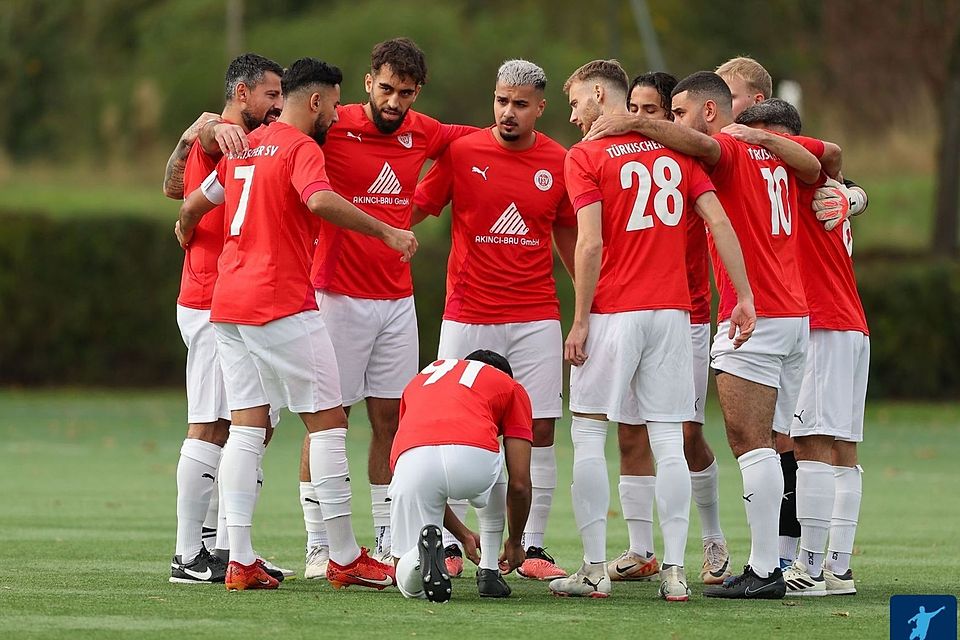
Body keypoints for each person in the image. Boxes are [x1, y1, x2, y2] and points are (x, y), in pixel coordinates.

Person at [176, 57, 417, 591]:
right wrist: (387, 233)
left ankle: (237, 558)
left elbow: (197, 200)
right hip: (279, 301)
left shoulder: (246, 144)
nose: (336, 113)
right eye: (333, 102)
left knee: (246, 425)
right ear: (316, 101)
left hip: (228, 305)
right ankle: (346, 556)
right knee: (328, 422)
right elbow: (321, 199)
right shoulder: (299, 146)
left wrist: (186, 226)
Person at [584, 70, 821, 598]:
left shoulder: (729, 149)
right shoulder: (775, 153)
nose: (671, 122)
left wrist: (623, 120)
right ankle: (781, 562)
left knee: (749, 443)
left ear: (709, 114)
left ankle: (765, 571)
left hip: (756, 315)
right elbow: (822, 161)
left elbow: (692, 142)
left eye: (678, 111)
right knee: (772, 442)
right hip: (794, 316)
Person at [550, 60, 755, 601]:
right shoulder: (677, 153)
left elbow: (589, 244)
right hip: (672, 314)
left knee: (590, 432)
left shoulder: (586, 156)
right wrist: (745, 295)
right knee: (668, 440)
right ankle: (675, 573)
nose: (573, 116)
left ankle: (593, 570)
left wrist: (580, 318)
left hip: (617, 310)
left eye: (575, 103)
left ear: (599, 95)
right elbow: (718, 221)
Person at [410, 59, 575, 582]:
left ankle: (532, 549)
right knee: (445, 426)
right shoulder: (463, 152)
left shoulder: (560, 161)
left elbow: (571, 238)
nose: (508, 112)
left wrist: (590, 305)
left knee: (541, 429)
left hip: (535, 316)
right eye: (502, 101)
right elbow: (414, 207)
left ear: (540, 109)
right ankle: (450, 544)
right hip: (468, 314)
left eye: (520, 104)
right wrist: (358, 228)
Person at [734, 99, 869, 596]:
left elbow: (830, 153)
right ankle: (837, 566)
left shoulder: (799, 175)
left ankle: (811, 569)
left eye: (755, 134)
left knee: (812, 442)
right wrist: (857, 197)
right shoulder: (815, 183)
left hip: (823, 321)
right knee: (841, 447)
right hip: (850, 324)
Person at [162, 52, 284, 584]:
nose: (278, 104)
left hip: (242, 300)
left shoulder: (252, 139)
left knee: (253, 426)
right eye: (270, 94)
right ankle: (187, 554)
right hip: (212, 299)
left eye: (283, 95)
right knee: (211, 424)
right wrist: (209, 130)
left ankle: (229, 548)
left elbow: (177, 188)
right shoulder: (224, 132)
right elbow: (213, 141)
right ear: (241, 94)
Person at [607, 71, 733, 587]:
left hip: (687, 312)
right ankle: (641, 549)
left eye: (651, 110)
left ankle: (713, 538)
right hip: (629, 312)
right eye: (632, 108)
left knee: (685, 434)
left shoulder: (688, 161)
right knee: (630, 433)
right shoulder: (615, 161)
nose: (639, 118)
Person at [390, 351, 533, 602]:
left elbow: (432, 469)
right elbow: (520, 484)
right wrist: (515, 540)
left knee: (410, 585)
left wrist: (462, 535)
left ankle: (418, 559)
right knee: (496, 450)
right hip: (474, 457)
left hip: (412, 457)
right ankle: (489, 570)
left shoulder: (421, 378)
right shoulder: (509, 385)